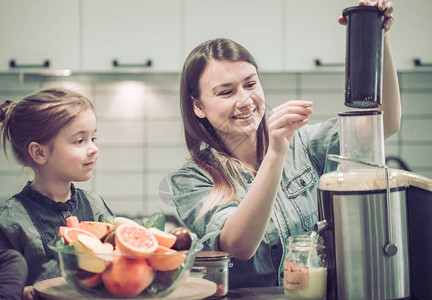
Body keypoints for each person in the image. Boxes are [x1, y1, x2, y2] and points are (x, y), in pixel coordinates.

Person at [169, 0, 400, 289]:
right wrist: (277, 151)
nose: (244, 100)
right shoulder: (191, 179)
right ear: (198, 107)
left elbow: (385, 122)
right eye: (226, 92)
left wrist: (379, 35)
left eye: (250, 84)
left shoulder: (304, 143)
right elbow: (239, 245)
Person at [0, 87, 115, 299]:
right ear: (39, 152)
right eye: (80, 140)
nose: (93, 148)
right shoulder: (10, 220)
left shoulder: (95, 205)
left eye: (93, 139)